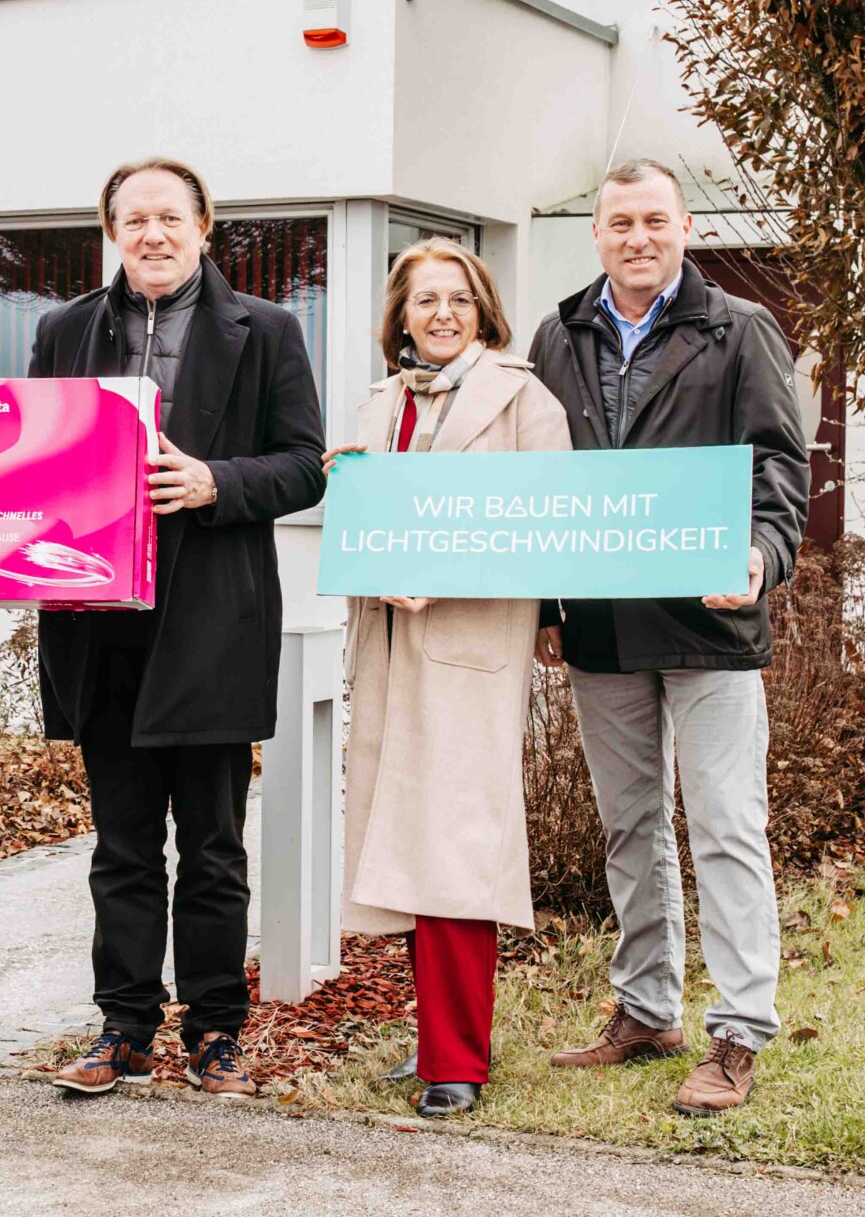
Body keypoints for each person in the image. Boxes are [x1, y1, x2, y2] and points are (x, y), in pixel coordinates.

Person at [37, 157, 326, 1101]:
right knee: (121, 845)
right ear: (110, 231)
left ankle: (214, 1029)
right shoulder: (64, 329)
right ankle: (123, 1025)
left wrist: (214, 482)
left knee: (211, 844)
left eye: (170, 216)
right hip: (99, 623)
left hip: (212, 621)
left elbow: (304, 466)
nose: (152, 234)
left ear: (206, 225)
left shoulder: (267, 331)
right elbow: (34, 461)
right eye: (134, 219)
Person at [528, 157, 810, 1118]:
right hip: (601, 625)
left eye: (655, 220)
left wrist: (762, 557)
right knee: (630, 826)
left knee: (727, 825)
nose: (637, 236)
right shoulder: (558, 335)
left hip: (710, 619)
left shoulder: (741, 330)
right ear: (597, 233)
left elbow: (780, 465)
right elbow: (540, 481)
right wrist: (542, 606)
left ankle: (739, 1031)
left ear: (685, 227)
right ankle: (647, 1009)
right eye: (620, 222)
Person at [326, 240, 570, 1119]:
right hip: (391, 648)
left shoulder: (524, 397)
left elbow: (547, 532)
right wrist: (350, 506)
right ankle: (432, 1039)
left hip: (470, 648)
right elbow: (358, 525)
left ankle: (458, 1061)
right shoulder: (378, 402)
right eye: (424, 300)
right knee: (404, 846)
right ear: (400, 316)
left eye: (457, 299)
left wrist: (444, 571)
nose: (441, 314)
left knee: (460, 850)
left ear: (483, 308)